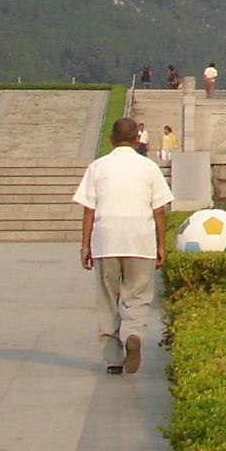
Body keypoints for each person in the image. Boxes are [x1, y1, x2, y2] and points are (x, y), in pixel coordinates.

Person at [74, 116, 173, 376]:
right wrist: (161, 244)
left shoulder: (98, 167)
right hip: (140, 239)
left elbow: (89, 210)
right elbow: (159, 210)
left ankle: (114, 359)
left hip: (106, 239)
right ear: (138, 139)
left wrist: (85, 247)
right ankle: (134, 334)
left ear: (111, 140)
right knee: (138, 296)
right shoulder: (148, 167)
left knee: (108, 299)